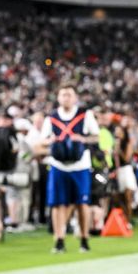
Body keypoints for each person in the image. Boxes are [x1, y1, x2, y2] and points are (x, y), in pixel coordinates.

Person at [41, 85, 99, 253]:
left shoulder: (85, 115)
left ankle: (84, 238)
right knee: (58, 204)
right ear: (58, 97)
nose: (66, 98)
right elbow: (42, 141)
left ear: (75, 98)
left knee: (82, 203)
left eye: (69, 94)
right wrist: (51, 141)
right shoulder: (51, 118)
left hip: (80, 165)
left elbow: (96, 137)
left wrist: (81, 139)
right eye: (63, 94)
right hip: (59, 165)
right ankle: (59, 240)